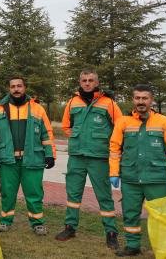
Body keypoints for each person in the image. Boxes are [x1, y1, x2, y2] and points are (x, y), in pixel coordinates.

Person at [109, 84, 166, 257]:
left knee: (162, 216)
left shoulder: (164, 122)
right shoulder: (123, 122)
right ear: (133, 100)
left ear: (151, 100)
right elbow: (115, 149)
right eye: (137, 98)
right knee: (130, 214)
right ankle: (132, 246)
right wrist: (114, 173)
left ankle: (164, 248)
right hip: (130, 179)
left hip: (157, 179)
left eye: (144, 98)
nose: (141, 101)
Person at [55, 70, 121, 248]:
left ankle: (111, 232)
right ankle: (70, 227)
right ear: (80, 81)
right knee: (73, 194)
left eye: (91, 80)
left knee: (104, 196)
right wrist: (78, 138)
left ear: (97, 82)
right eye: (84, 80)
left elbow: (120, 127)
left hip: (99, 157)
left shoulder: (109, 103)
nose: (87, 83)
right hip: (76, 156)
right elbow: (66, 126)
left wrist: (104, 144)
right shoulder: (72, 102)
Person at [0, 76, 56, 235]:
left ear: (25, 87)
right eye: (13, 86)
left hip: (32, 159)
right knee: (7, 192)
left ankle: (37, 223)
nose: (16, 89)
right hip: (8, 160)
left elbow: (46, 133)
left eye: (19, 86)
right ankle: (5, 221)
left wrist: (50, 154)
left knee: (34, 192)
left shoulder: (37, 109)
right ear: (9, 88)